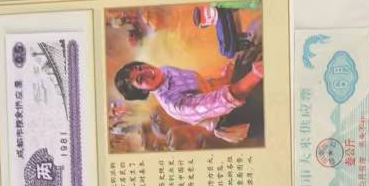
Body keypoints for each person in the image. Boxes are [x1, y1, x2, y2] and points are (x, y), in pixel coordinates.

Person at [113, 53, 264, 144]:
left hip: (229, 91)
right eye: (140, 79)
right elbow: (224, 99)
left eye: (140, 67)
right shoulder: (175, 104)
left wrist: (223, 78)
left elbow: (202, 88)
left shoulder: (164, 71)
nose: (147, 72)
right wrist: (255, 74)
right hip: (234, 117)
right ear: (142, 92)